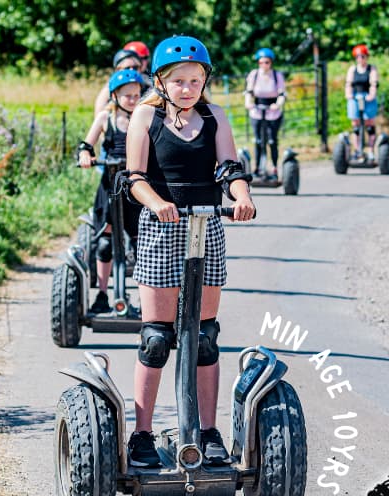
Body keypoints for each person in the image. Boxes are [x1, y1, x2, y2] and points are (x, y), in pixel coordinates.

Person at [123, 35, 255, 467]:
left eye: (195, 79)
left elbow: (229, 168)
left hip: (207, 224)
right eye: (179, 80)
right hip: (163, 227)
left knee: (204, 338)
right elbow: (134, 177)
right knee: (157, 337)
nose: (188, 87)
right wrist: (156, 202)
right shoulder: (145, 116)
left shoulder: (215, 116)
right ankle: (141, 436)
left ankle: (208, 431)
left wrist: (240, 195)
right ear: (160, 81)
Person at [77, 69, 144, 313]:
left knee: (140, 245)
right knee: (105, 243)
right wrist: (86, 155)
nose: (133, 100)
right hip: (110, 184)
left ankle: (145, 300)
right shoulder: (106, 117)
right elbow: (86, 144)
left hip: (137, 186)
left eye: (137, 95)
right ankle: (103, 295)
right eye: (128, 95)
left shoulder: (145, 116)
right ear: (115, 95)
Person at [244, 47, 286, 180]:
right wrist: (249, 103)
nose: (264, 65)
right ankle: (257, 168)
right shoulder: (254, 75)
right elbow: (249, 92)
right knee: (258, 140)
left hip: (273, 112)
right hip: (257, 111)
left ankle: (274, 168)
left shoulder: (277, 75)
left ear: (271, 62)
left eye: (266, 62)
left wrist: (277, 104)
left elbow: (281, 94)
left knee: (272, 141)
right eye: (261, 62)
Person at [345, 44, 379, 161]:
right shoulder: (352, 69)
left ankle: (370, 150)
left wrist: (371, 94)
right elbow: (348, 84)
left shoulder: (371, 69)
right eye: (358, 56)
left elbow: (374, 83)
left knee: (369, 123)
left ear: (366, 57)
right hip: (355, 98)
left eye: (363, 56)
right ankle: (358, 151)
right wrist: (348, 94)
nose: (360, 59)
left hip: (367, 97)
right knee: (356, 124)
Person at [94, 49, 142, 117]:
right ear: (117, 70)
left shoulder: (147, 84)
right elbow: (98, 116)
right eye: (127, 68)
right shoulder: (107, 91)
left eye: (135, 67)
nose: (131, 70)